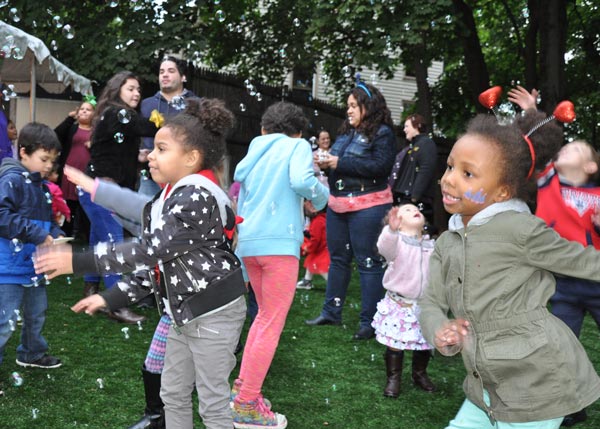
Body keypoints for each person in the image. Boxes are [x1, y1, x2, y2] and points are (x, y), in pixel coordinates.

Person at [34, 98, 247, 429]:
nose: (150, 155)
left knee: (212, 404)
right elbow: (157, 268)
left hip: (213, 315)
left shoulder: (196, 197)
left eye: (162, 149)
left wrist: (77, 261)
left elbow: (148, 250)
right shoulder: (172, 196)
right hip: (184, 313)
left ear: (191, 158)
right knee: (172, 394)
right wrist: (110, 297)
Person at [418, 110, 600, 429]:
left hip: (539, 384)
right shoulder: (447, 242)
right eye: (450, 167)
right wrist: (437, 329)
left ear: (502, 192)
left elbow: (583, 261)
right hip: (484, 386)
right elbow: (430, 301)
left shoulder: (520, 230)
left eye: (468, 174)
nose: (448, 179)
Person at [231, 101, 329, 429]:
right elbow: (302, 180)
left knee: (261, 319)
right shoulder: (298, 145)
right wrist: (320, 199)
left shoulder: (253, 152)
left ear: (264, 129)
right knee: (270, 323)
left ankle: (244, 390)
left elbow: (241, 201)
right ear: (299, 132)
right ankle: (246, 406)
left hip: (250, 245)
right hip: (279, 246)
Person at [306, 82, 396, 341]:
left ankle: (370, 322)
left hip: (368, 205)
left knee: (368, 262)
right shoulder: (345, 134)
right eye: (348, 106)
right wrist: (324, 164)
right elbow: (340, 166)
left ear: (369, 107)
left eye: (354, 106)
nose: (349, 111)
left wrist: (339, 162)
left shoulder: (383, 133)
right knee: (338, 259)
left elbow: (380, 166)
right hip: (339, 204)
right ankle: (331, 312)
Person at [79, 71, 158, 324]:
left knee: (97, 238)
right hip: (101, 189)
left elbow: (113, 151)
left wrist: (139, 157)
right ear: (117, 90)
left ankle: (90, 288)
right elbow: (145, 126)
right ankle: (116, 304)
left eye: (138, 90)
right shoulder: (117, 113)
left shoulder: (113, 117)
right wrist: (162, 122)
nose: (136, 94)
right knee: (112, 242)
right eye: (131, 89)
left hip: (96, 186)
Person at [0, 123, 64, 385]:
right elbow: (2, 216)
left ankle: (31, 353)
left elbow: (49, 222)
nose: (49, 166)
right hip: (9, 269)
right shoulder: (11, 180)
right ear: (24, 153)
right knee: (4, 323)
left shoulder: (43, 188)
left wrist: (58, 236)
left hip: (34, 265)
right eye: (44, 159)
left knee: (37, 313)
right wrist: (38, 235)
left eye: (52, 160)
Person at [372, 204, 435, 398]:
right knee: (395, 343)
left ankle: (419, 373)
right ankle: (394, 378)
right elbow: (384, 247)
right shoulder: (396, 242)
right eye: (406, 210)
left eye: (416, 209)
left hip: (425, 305)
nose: (414, 210)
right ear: (398, 223)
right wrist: (390, 230)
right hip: (400, 304)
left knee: (424, 343)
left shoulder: (431, 245)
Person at [139, 55, 197, 196]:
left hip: (183, 176)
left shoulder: (195, 104)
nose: (165, 75)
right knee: (145, 215)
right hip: (150, 176)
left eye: (171, 71)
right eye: (161, 72)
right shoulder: (146, 104)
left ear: (183, 77)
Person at [55, 100, 95, 239]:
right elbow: (57, 134)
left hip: (86, 175)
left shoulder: (97, 132)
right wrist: (69, 118)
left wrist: (93, 145)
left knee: (84, 207)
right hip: (68, 173)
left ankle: (83, 236)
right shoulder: (72, 128)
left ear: (94, 114)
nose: (84, 111)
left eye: (88, 109)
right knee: (68, 205)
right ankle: (65, 234)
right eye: (82, 109)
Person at [391, 114, 438, 226]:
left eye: (407, 126)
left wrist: (414, 196)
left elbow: (426, 169)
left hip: (416, 199)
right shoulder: (411, 146)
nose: (404, 129)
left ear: (417, 126)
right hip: (405, 196)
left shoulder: (426, 143)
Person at [296, 201, 329, 290]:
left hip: (321, 249)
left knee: (321, 267)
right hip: (323, 247)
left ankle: (334, 285)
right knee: (311, 262)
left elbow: (316, 240)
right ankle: (307, 281)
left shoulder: (317, 222)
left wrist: (308, 248)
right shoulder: (321, 219)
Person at [45, 162, 71, 227]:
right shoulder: (55, 189)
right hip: (53, 216)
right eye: (56, 173)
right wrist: (67, 213)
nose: (58, 175)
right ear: (49, 175)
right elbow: (60, 203)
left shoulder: (38, 185)